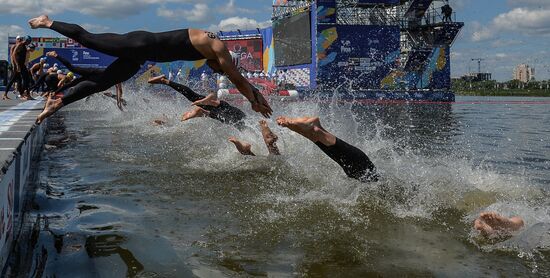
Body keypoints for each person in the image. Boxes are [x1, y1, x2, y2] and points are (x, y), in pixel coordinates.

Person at [28, 15, 272, 123]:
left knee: (104, 81)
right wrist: (252, 98)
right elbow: (237, 78)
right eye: (219, 71)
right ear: (223, 64)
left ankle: (59, 101)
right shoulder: (219, 49)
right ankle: (47, 21)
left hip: (140, 56)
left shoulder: (215, 49)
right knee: (87, 38)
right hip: (139, 43)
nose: (217, 72)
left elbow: (238, 78)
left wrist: (254, 95)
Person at [276, 116, 378, 182]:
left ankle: (307, 129)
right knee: (367, 172)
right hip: (365, 171)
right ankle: (316, 129)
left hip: (356, 173)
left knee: (358, 171)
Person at [148, 75, 246, 129]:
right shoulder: (241, 120)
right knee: (201, 102)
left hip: (227, 116)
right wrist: (206, 101)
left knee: (197, 100)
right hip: (234, 117)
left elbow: (215, 98)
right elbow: (216, 96)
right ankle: (166, 81)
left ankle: (169, 124)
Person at [44, 51, 125, 110]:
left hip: (93, 80)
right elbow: (118, 88)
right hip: (92, 73)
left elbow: (119, 90)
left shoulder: (118, 78)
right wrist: (118, 101)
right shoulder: (113, 73)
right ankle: (56, 55)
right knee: (72, 69)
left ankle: (55, 92)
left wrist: (118, 102)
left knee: (73, 83)